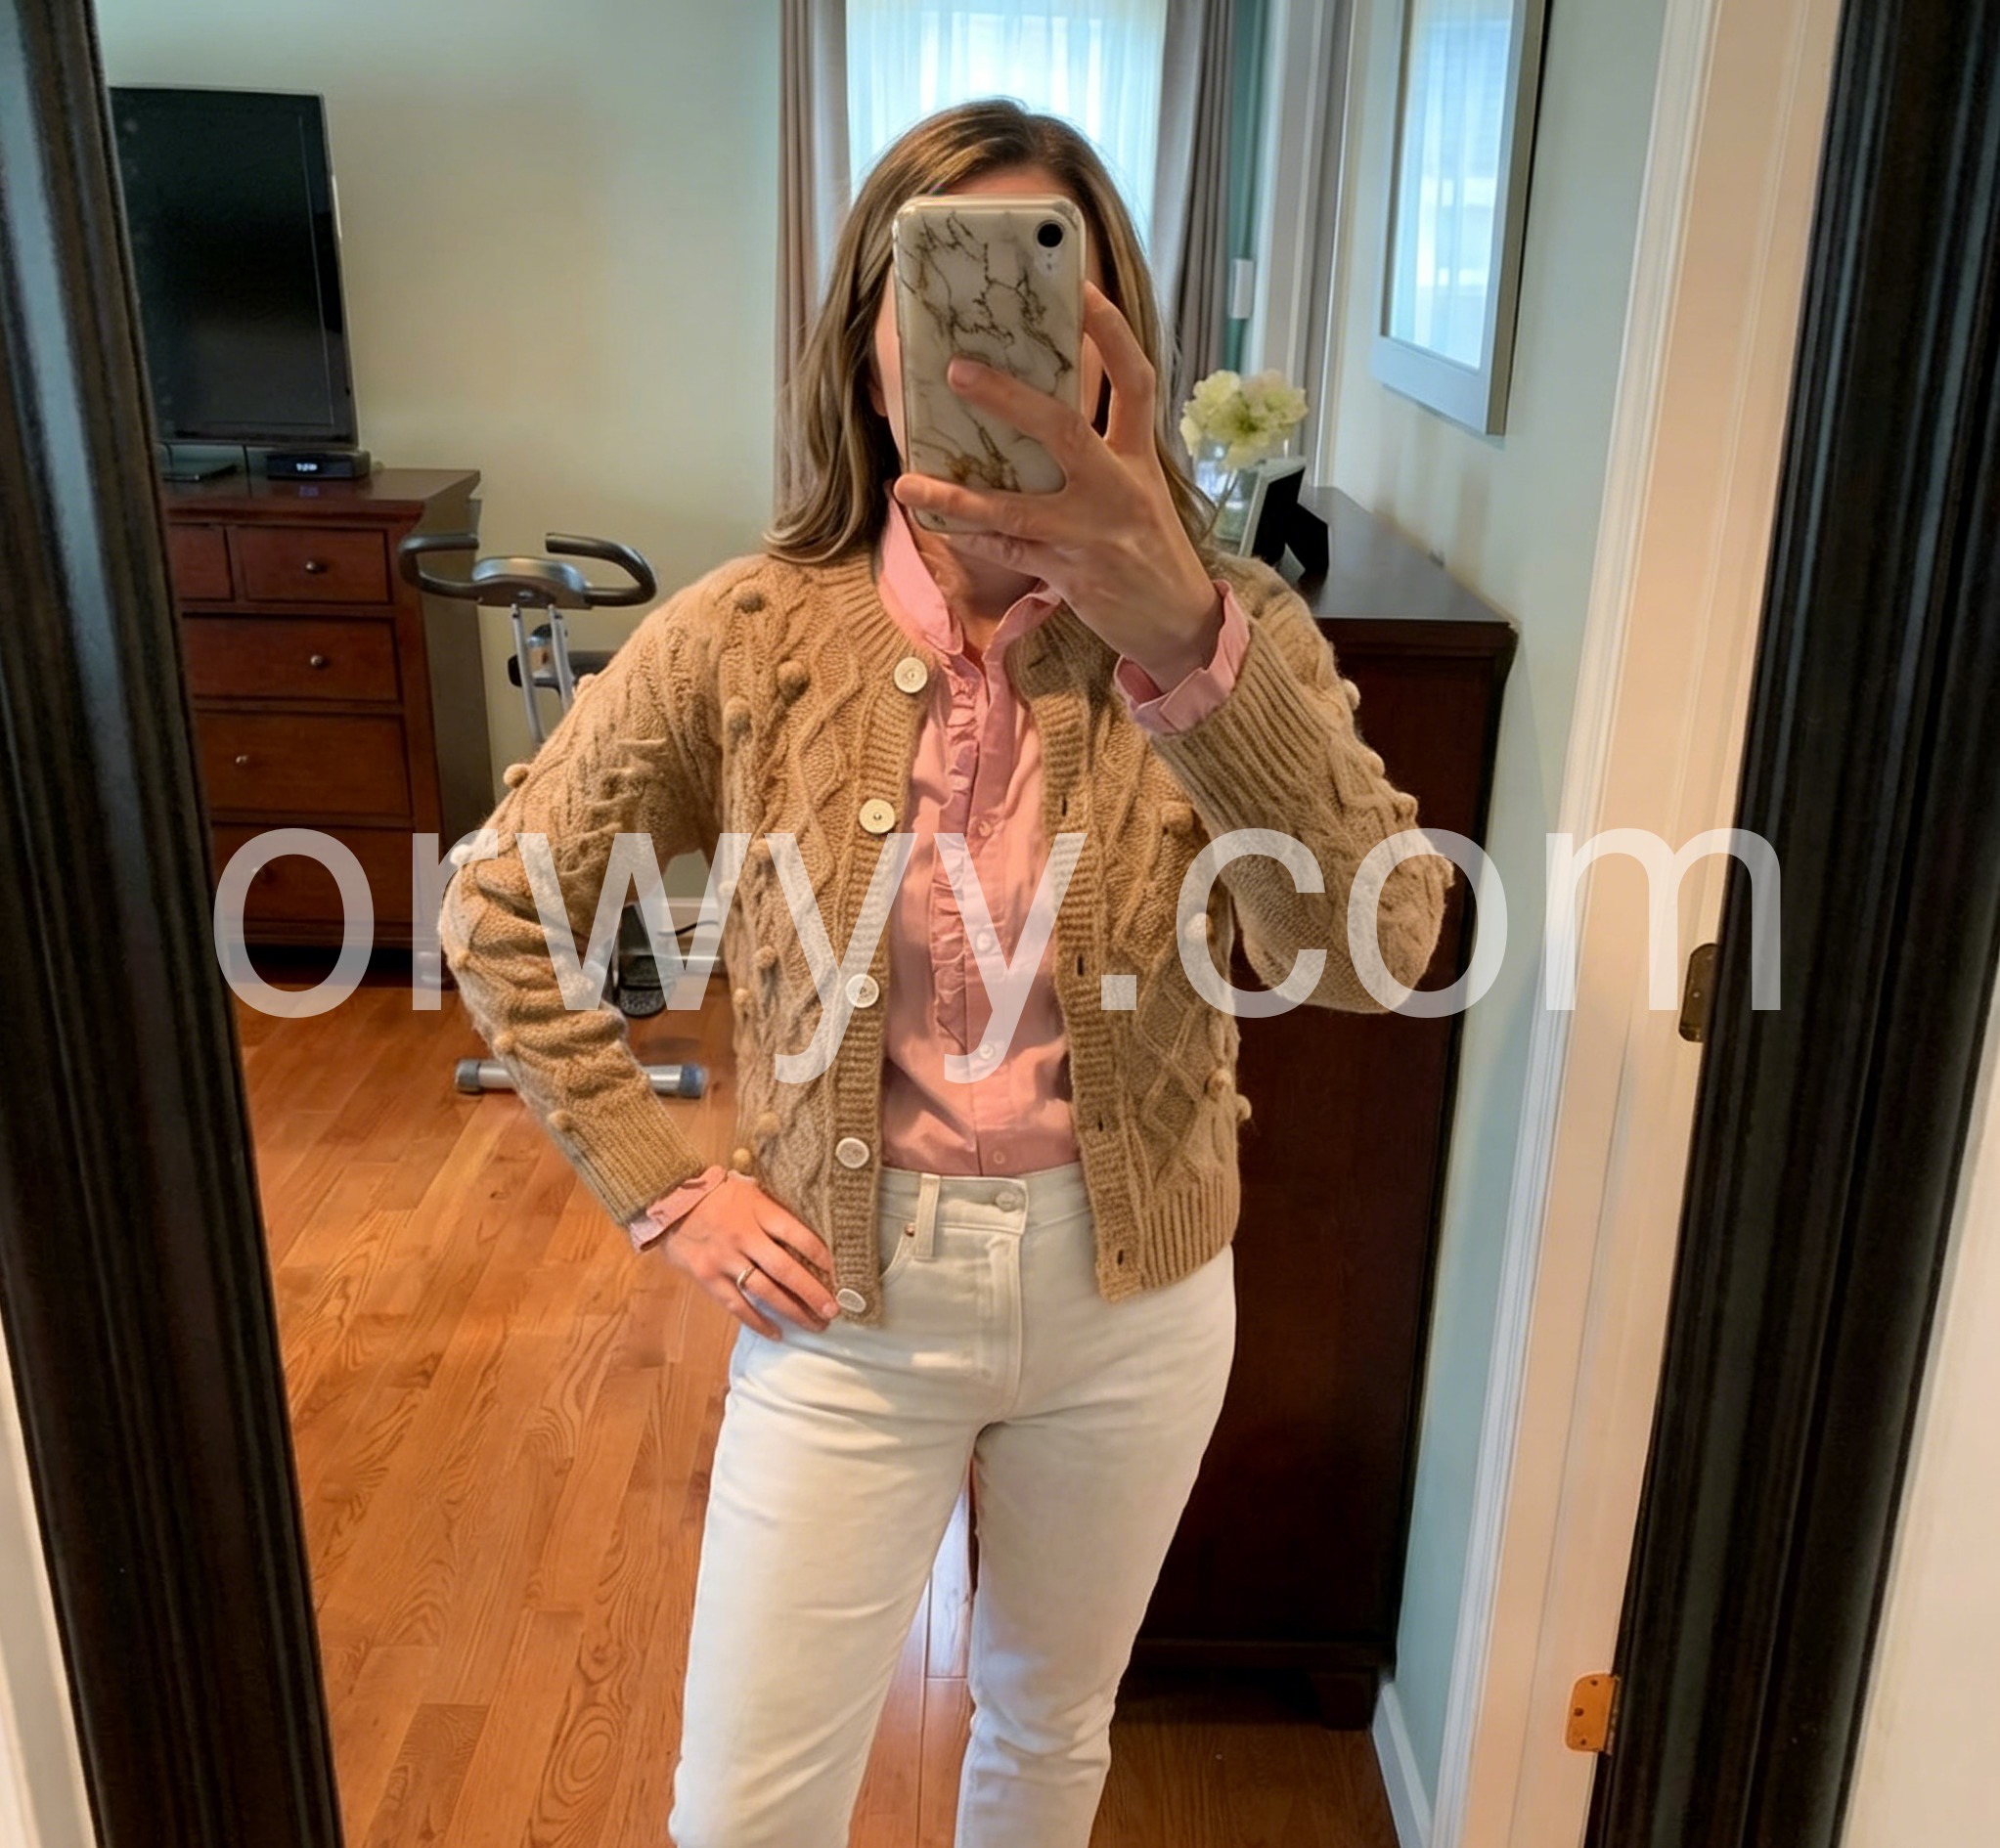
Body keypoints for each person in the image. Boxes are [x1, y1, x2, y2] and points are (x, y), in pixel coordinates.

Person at [439, 96, 1450, 1848]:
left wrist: (1177, 633)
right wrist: (663, 1185)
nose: (985, 353)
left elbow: (1382, 947)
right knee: (743, 1813)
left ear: (1110, 349)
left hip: (1134, 1302)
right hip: (844, 1299)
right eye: (939, 293)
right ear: (864, 340)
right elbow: (495, 906)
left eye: (1035, 298)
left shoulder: (1238, 629)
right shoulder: (751, 630)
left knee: (1046, 1738)